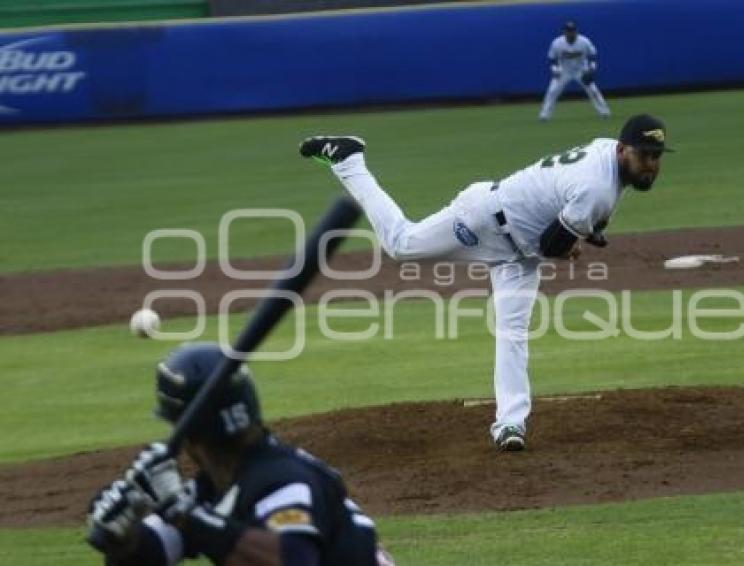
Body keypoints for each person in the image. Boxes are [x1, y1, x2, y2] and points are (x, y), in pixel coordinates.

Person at [299, 114, 672, 452]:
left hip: (519, 254)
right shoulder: (597, 188)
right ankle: (349, 161)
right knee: (401, 244)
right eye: (645, 156)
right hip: (483, 223)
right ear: (623, 149)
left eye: (656, 156)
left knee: (512, 332)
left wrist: (582, 233)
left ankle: (510, 423)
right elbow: (552, 244)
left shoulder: (606, 152)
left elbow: (570, 210)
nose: (651, 165)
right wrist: (572, 245)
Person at [87, 342, 393, 565]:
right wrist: (124, 539)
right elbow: (153, 554)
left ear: (188, 432)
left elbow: (293, 560)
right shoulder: (211, 489)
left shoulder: (285, 479)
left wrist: (181, 511)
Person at [539, 21, 611, 120]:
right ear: (564, 32)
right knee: (552, 91)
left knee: (593, 91)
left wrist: (591, 68)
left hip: (581, 70)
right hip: (564, 71)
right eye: (568, 31)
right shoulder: (557, 43)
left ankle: (604, 112)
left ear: (576, 31)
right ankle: (544, 115)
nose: (570, 33)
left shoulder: (584, 41)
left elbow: (592, 55)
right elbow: (552, 58)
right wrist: (555, 69)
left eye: (572, 31)